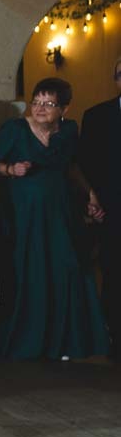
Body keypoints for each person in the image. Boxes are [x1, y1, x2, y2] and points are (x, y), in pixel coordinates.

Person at [0, 77, 108, 361]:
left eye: (49, 103)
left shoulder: (68, 131)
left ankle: (67, 342)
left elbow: (71, 167)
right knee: (30, 270)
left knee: (67, 269)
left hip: (61, 213)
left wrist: (91, 194)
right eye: (36, 102)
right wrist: (10, 169)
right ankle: (29, 342)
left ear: (64, 109)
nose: (40, 108)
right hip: (24, 215)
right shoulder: (15, 130)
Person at [79, 55, 121, 359]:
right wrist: (91, 201)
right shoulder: (97, 116)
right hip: (112, 209)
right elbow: (86, 163)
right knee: (114, 274)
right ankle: (116, 339)